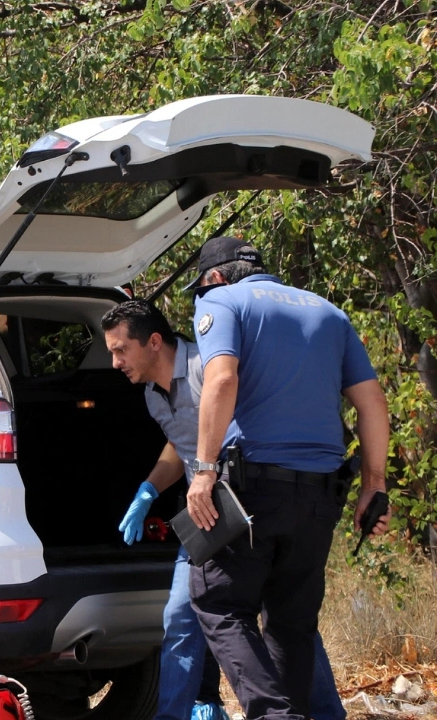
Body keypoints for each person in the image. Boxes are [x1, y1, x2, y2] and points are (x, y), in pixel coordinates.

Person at [101, 300, 345, 720]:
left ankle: (323, 713)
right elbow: (181, 448)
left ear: (154, 342)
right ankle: (177, 713)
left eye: (121, 349)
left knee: (283, 618)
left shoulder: (207, 366)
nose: (114, 361)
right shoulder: (151, 397)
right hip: (206, 514)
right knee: (181, 616)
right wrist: (148, 489)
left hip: (250, 506)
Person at [184, 236, 390, 720]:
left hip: (253, 486)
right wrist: (374, 485)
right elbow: (373, 403)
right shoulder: (330, 313)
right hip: (321, 495)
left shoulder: (221, 300)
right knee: (291, 621)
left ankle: (273, 714)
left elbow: (221, 379)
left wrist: (205, 470)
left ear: (214, 276)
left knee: (217, 602)